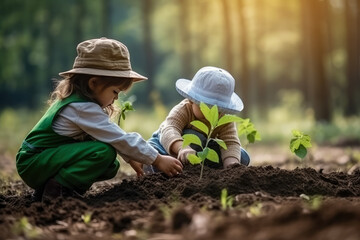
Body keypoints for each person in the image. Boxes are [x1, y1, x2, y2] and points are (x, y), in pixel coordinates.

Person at [16, 37, 183, 201]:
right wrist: (158, 159)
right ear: (93, 83)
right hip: (34, 162)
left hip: (40, 161)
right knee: (103, 153)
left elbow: (107, 136)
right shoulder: (82, 108)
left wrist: (132, 157)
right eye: (115, 92)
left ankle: (49, 188)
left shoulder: (79, 103)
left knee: (110, 165)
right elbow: (118, 137)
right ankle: (58, 191)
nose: (116, 99)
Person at [142, 66, 250, 174]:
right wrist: (182, 148)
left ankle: (203, 170)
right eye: (205, 107)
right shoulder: (183, 109)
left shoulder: (224, 118)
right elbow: (170, 129)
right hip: (168, 143)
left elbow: (230, 142)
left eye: (218, 109)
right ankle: (158, 167)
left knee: (242, 156)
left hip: (202, 148)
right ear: (191, 100)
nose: (211, 113)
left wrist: (231, 167)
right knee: (191, 136)